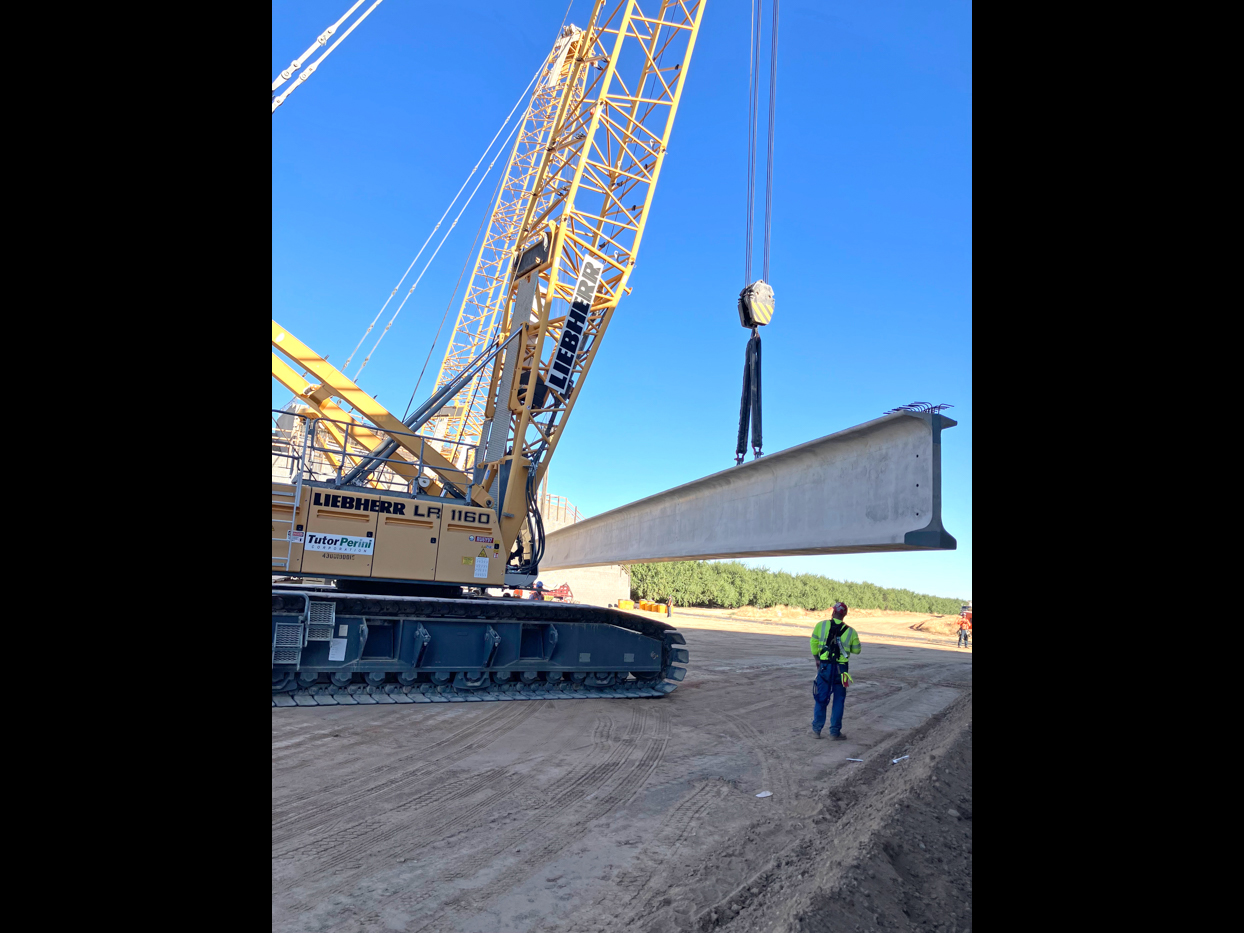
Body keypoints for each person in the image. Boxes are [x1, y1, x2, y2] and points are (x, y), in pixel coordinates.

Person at [809, 602, 861, 740]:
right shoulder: (851, 631)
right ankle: (834, 733)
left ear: (833, 612)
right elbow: (857, 650)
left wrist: (817, 659)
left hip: (824, 667)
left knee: (821, 699)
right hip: (841, 670)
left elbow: (813, 644)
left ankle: (816, 731)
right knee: (839, 700)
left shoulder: (821, 625)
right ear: (845, 615)